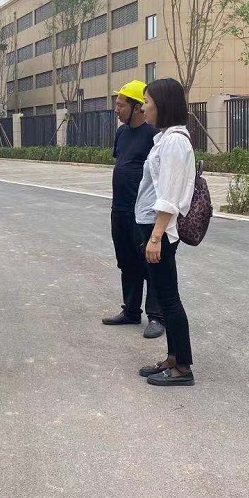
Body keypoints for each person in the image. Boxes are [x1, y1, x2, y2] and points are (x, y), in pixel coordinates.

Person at [134, 78, 197, 387]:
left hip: (160, 229)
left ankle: (182, 367)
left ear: (162, 104)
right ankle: (173, 358)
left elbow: (170, 195)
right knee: (165, 294)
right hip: (153, 226)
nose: (143, 108)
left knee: (169, 298)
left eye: (147, 102)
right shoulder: (166, 138)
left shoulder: (174, 142)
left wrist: (156, 236)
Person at [101, 80, 163, 338]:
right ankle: (131, 310)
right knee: (126, 261)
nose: (117, 109)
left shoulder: (153, 135)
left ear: (137, 107)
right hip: (120, 208)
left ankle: (157, 317)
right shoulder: (121, 133)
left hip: (144, 213)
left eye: (121, 105)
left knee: (150, 264)